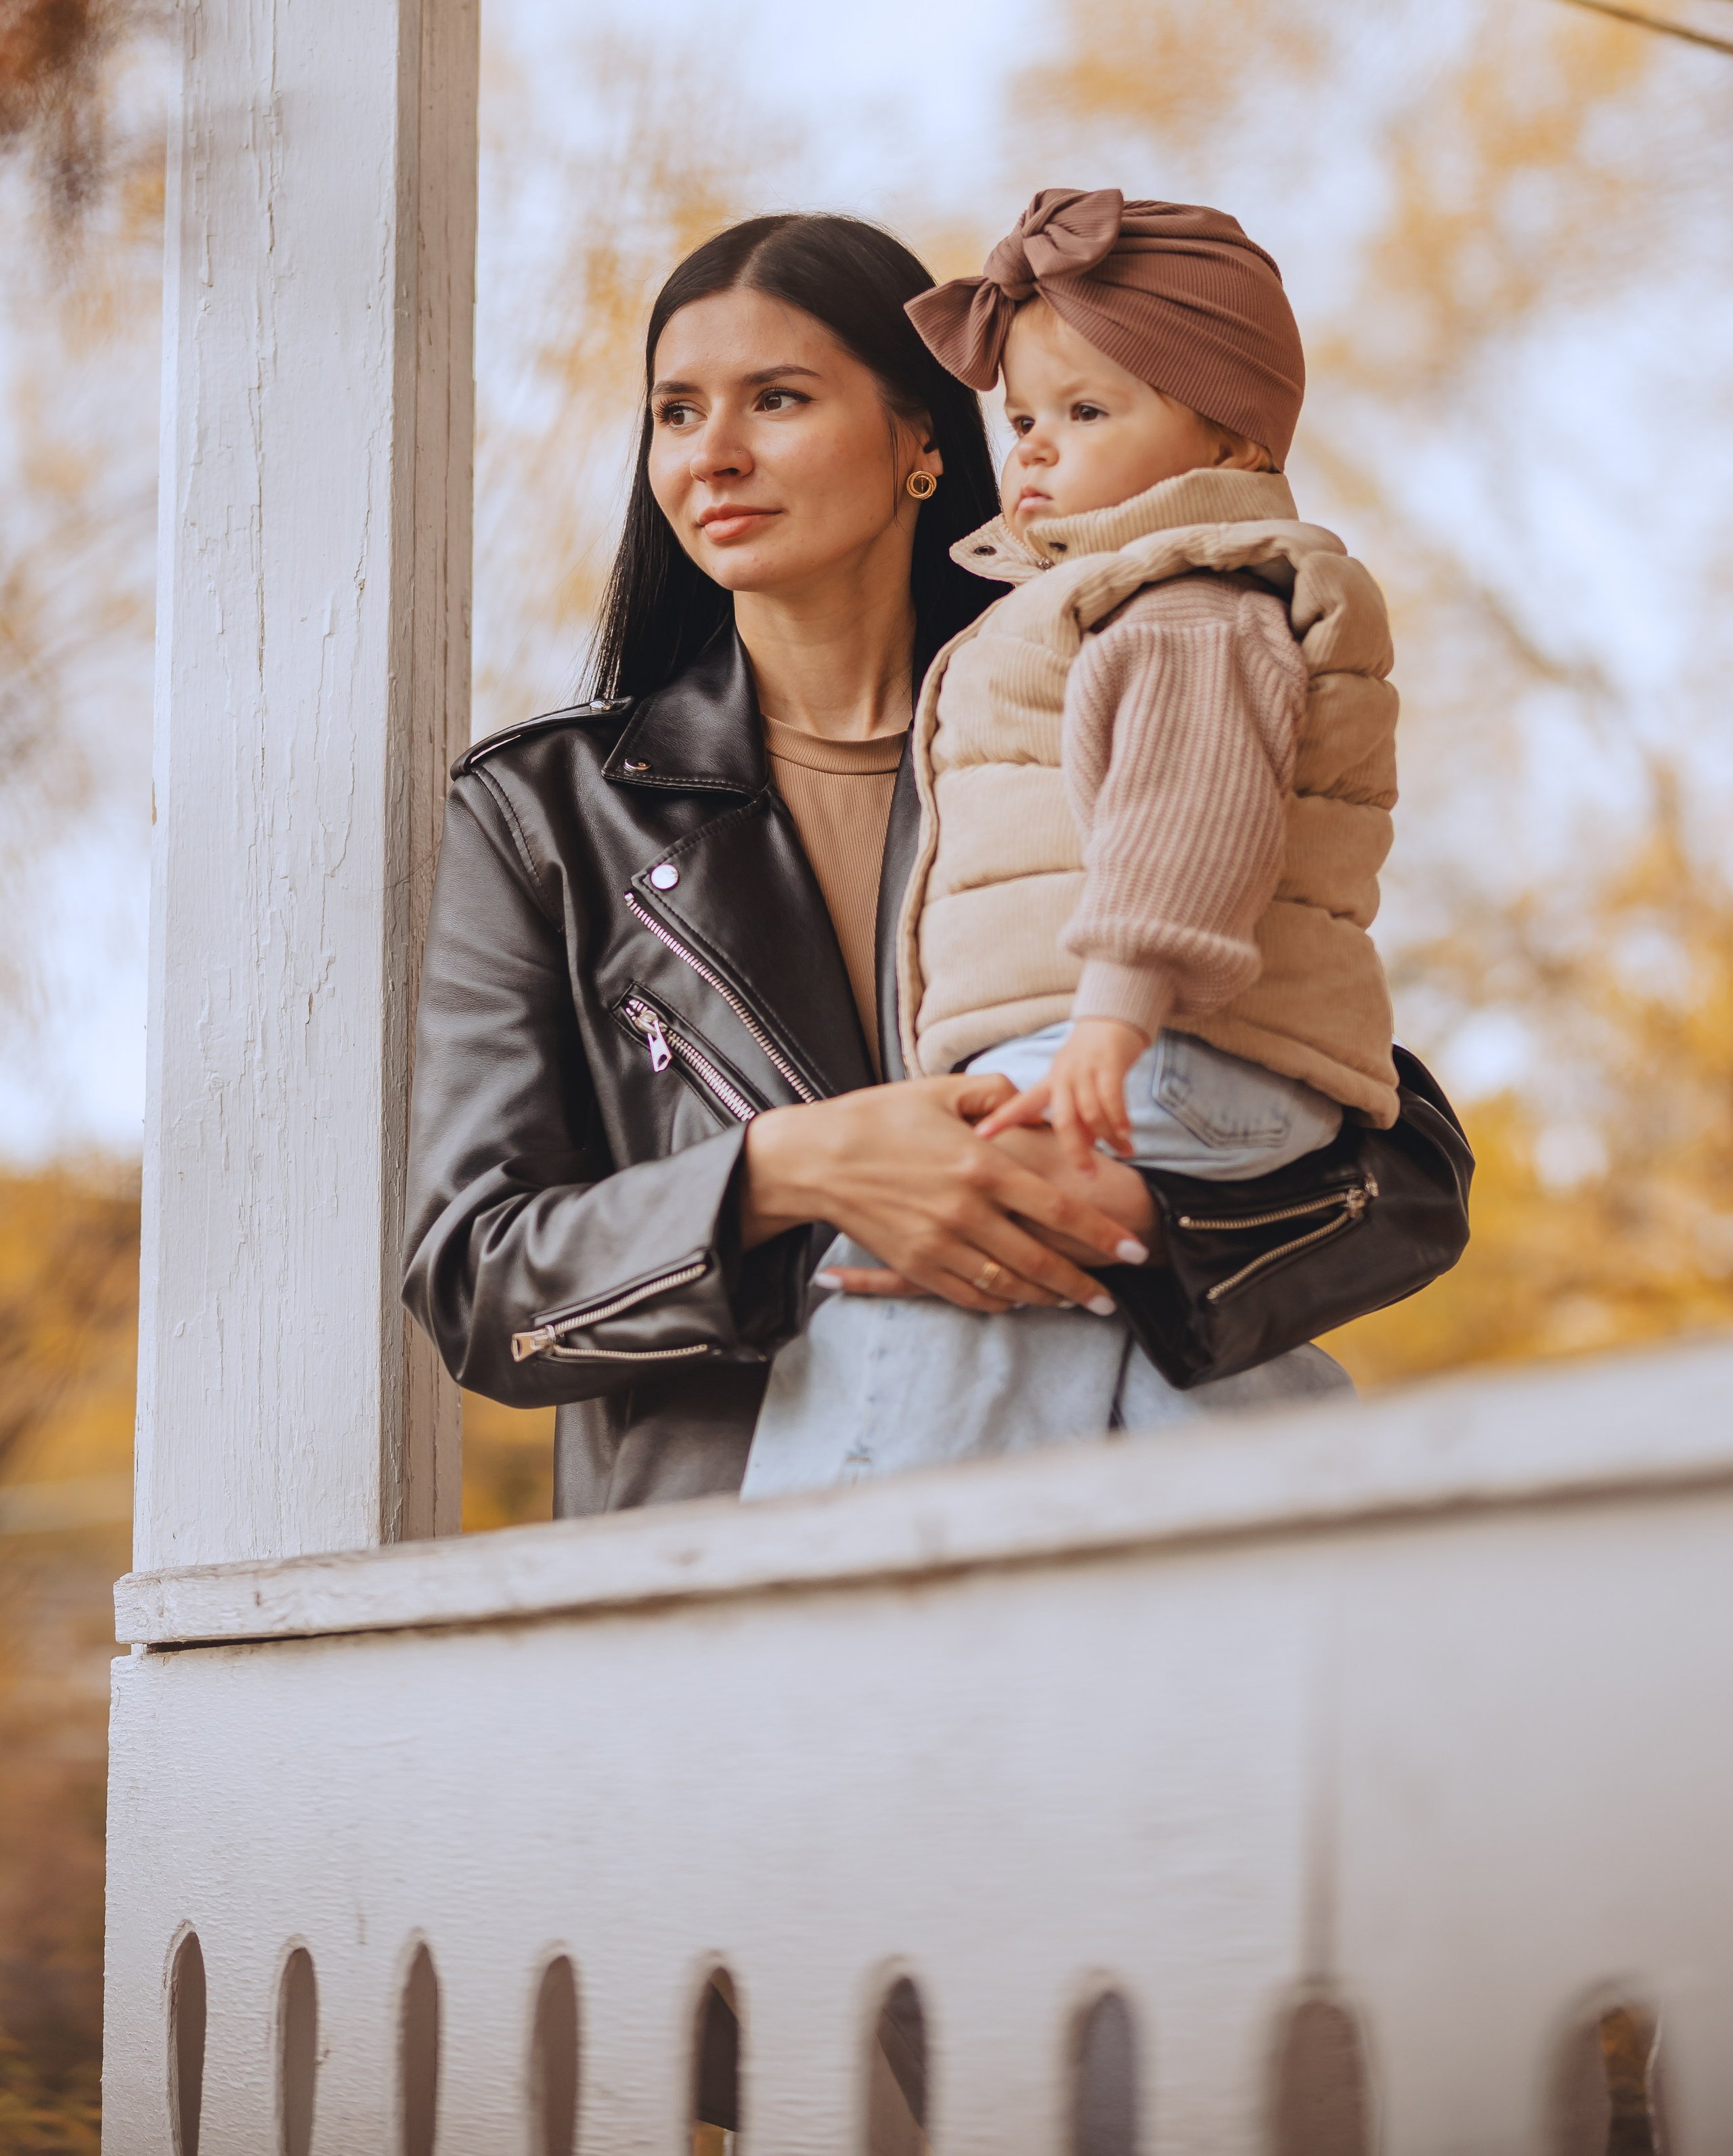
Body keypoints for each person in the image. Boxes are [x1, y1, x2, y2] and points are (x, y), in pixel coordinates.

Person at [402, 206, 1420, 1520]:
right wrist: (785, 1171)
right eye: (673, 412)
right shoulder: (541, 811)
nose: (711, 454)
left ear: (923, 441)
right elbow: (478, 1284)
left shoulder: (1123, 684)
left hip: (1132, 1550)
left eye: (774, 399)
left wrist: (1136, 1221)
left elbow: (1399, 1169)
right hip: (739, 1577)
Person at [740, 188, 1390, 1497]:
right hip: (1162, 1050)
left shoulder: (1188, 600)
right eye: (1024, 417)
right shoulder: (1108, 599)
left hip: (1148, 1046)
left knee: (926, 1266)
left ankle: (817, 1574)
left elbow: (1186, 824)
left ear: (1237, 438)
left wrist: (1114, 1016)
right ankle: (1300, 1532)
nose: (1034, 450)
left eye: (1088, 415)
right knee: (1137, 1347)